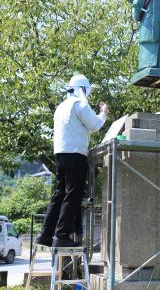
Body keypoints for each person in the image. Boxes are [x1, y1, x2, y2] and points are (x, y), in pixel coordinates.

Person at [36, 74, 108, 247]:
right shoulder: (80, 104)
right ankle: (62, 235)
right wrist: (103, 113)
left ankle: (45, 235)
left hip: (60, 154)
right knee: (73, 194)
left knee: (59, 194)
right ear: (83, 89)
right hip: (76, 155)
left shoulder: (61, 106)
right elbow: (95, 125)